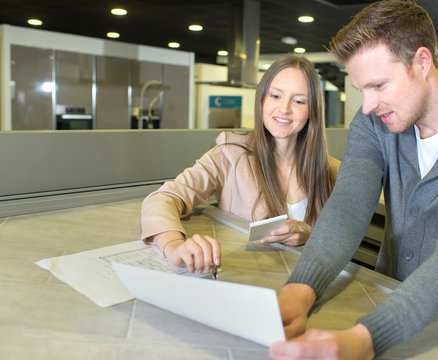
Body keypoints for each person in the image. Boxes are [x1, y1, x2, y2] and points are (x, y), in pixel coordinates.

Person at [269, 1, 438, 359]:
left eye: (379, 85)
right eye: (361, 89)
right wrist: (301, 287)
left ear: (422, 62)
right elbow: (349, 205)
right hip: (389, 307)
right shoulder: (374, 123)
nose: (367, 105)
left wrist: (367, 339)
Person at [140, 54, 340, 275]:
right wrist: (174, 246)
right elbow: (163, 199)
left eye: (299, 101)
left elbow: (341, 241)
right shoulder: (230, 153)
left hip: (304, 286)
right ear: (262, 100)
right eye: (275, 96)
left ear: (313, 110)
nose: (284, 109)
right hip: (244, 279)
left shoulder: (332, 171)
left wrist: (309, 234)